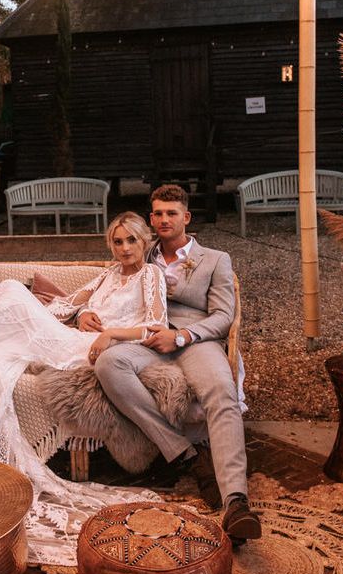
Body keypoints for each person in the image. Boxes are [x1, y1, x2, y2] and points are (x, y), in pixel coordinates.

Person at [0, 212, 166, 565]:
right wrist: (82, 314)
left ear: (144, 241)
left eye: (131, 240)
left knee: (11, 291)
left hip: (100, 349)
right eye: (117, 242)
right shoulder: (107, 274)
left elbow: (155, 324)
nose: (124, 248)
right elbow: (63, 307)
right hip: (74, 336)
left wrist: (110, 333)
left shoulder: (151, 275)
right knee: (10, 291)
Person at [94, 184, 262, 543]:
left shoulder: (215, 259)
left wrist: (183, 336)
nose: (164, 219)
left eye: (172, 213)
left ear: (186, 217)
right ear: (151, 218)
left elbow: (223, 316)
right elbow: (107, 286)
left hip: (194, 340)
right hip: (147, 339)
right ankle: (183, 453)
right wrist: (86, 314)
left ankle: (236, 501)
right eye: (158, 213)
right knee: (109, 364)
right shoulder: (140, 249)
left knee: (221, 390)